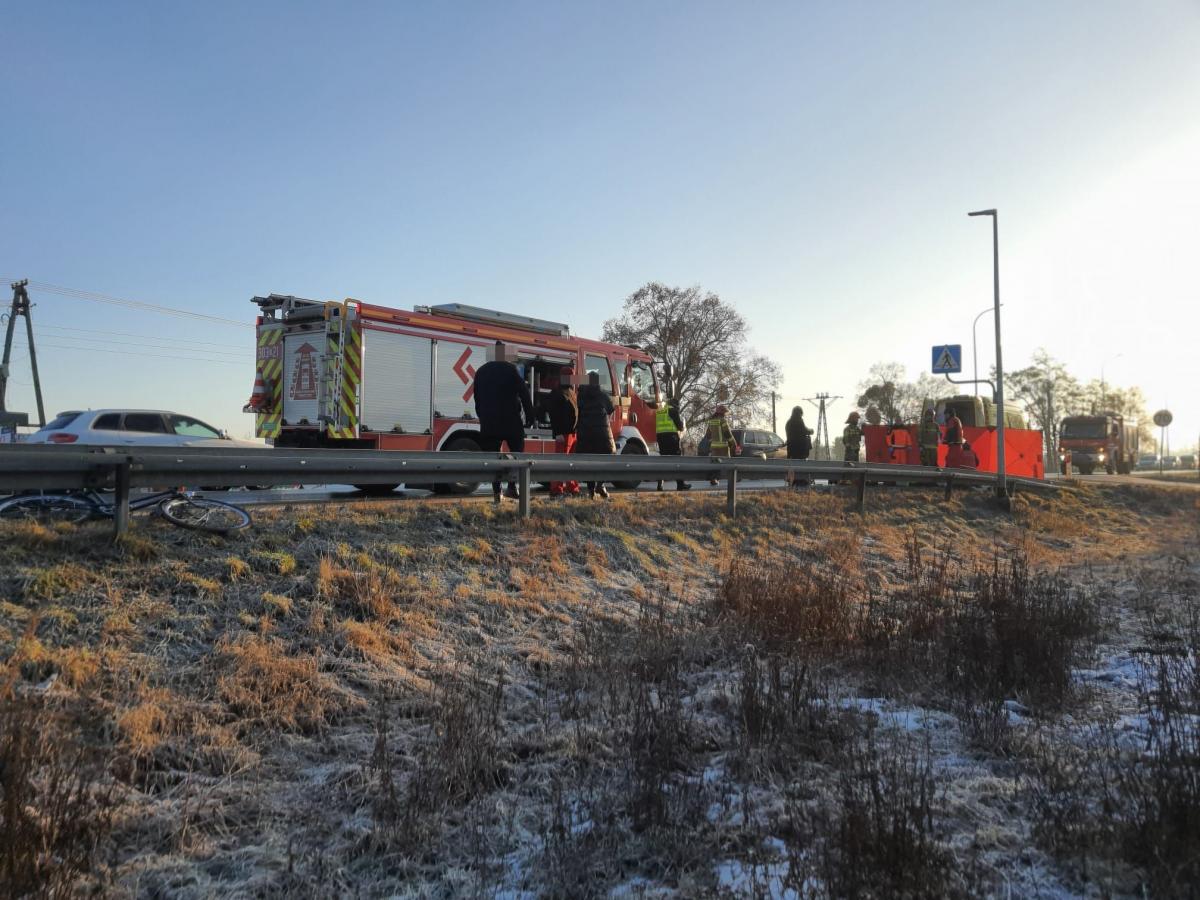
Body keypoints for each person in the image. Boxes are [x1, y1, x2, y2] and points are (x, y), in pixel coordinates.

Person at [472, 341, 534, 503]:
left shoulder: (481, 371)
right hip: (510, 421)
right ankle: (512, 486)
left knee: (494, 458)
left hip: (489, 423)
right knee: (517, 452)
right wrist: (530, 416)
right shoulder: (510, 370)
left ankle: (496, 493)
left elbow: (477, 398)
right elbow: (524, 393)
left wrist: (483, 417)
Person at [575, 370, 615, 499]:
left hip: (585, 434)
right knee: (607, 460)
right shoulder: (602, 395)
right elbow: (611, 409)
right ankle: (600, 484)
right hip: (602, 435)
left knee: (588, 463)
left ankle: (591, 491)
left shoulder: (581, 396)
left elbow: (576, 411)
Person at [543, 366, 581, 497]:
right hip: (563, 433)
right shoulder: (557, 393)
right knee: (560, 462)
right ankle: (556, 490)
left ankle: (572, 488)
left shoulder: (570, 392)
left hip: (572, 433)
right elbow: (554, 415)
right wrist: (557, 433)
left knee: (570, 463)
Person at [655, 397, 690, 491]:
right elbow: (680, 427)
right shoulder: (673, 411)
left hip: (660, 438)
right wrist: (682, 425)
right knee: (677, 461)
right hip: (671, 438)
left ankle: (660, 484)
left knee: (663, 461)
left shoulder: (660, 411)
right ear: (675, 405)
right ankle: (680, 484)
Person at [705, 404, 738, 485]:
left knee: (715, 463)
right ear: (723, 413)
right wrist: (734, 443)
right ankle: (733, 477)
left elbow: (708, 435)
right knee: (728, 462)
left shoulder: (711, 421)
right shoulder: (723, 420)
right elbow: (727, 433)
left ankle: (713, 479)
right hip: (723, 447)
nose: (726, 414)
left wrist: (712, 441)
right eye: (725, 413)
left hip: (714, 447)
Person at [784, 406, 813, 487]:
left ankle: (792, 482)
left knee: (792, 466)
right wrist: (811, 431)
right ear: (800, 413)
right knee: (800, 466)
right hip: (800, 450)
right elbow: (805, 430)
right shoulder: (799, 421)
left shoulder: (788, 422)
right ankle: (801, 481)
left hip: (791, 449)